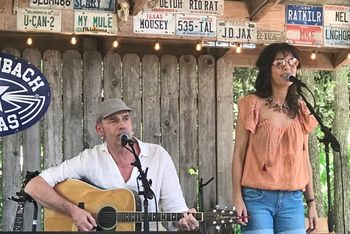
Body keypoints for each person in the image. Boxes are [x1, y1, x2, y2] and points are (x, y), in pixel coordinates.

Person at [25, 98, 199, 231]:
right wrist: (73, 211)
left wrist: (184, 221)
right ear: (100, 129)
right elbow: (33, 186)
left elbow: (176, 209)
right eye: (114, 121)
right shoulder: (89, 159)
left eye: (125, 119)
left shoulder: (157, 155)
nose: (122, 125)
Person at [231, 43, 318, 234]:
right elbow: (239, 154)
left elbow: (304, 160)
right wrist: (237, 197)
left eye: (292, 62)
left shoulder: (301, 110)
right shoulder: (251, 104)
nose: (287, 67)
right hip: (256, 197)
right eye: (279, 63)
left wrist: (311, 202)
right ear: (267, 70)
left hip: (293, 199)